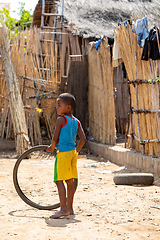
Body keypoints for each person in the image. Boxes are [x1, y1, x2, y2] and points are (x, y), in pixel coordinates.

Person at [47, 93, 86, 219]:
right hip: (72, 153)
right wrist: (76, 152)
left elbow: (55, 136)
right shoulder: (76, 121)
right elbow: (83, 139)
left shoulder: (61, 120)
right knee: (70, 181)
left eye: (59, 105)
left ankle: (63, 209)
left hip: (63, 154)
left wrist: (52, 147)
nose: (56, 108)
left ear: (68, 108)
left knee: (59, 181)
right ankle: (70, 208)